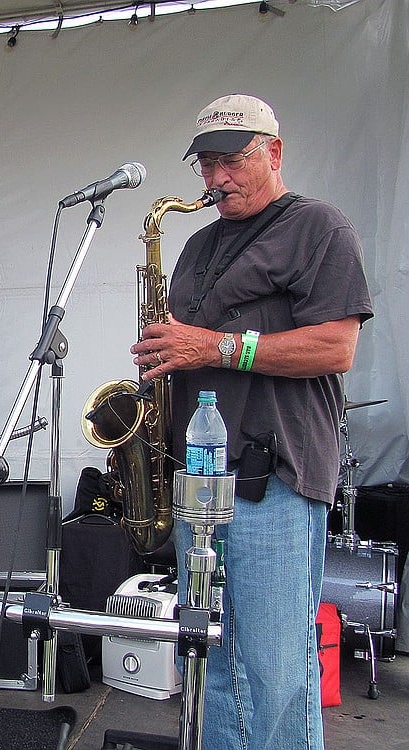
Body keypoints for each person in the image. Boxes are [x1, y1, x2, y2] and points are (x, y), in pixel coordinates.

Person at [129, 94, 372, 750]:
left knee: (272, 666)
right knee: (206, 658)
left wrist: (211, 348)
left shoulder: (317, 227)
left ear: (274, 153)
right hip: (198, 481)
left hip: (275, 479)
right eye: (205, 165)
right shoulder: (197, 244)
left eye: (230, 161)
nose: (214, 180)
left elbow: (335, 348)